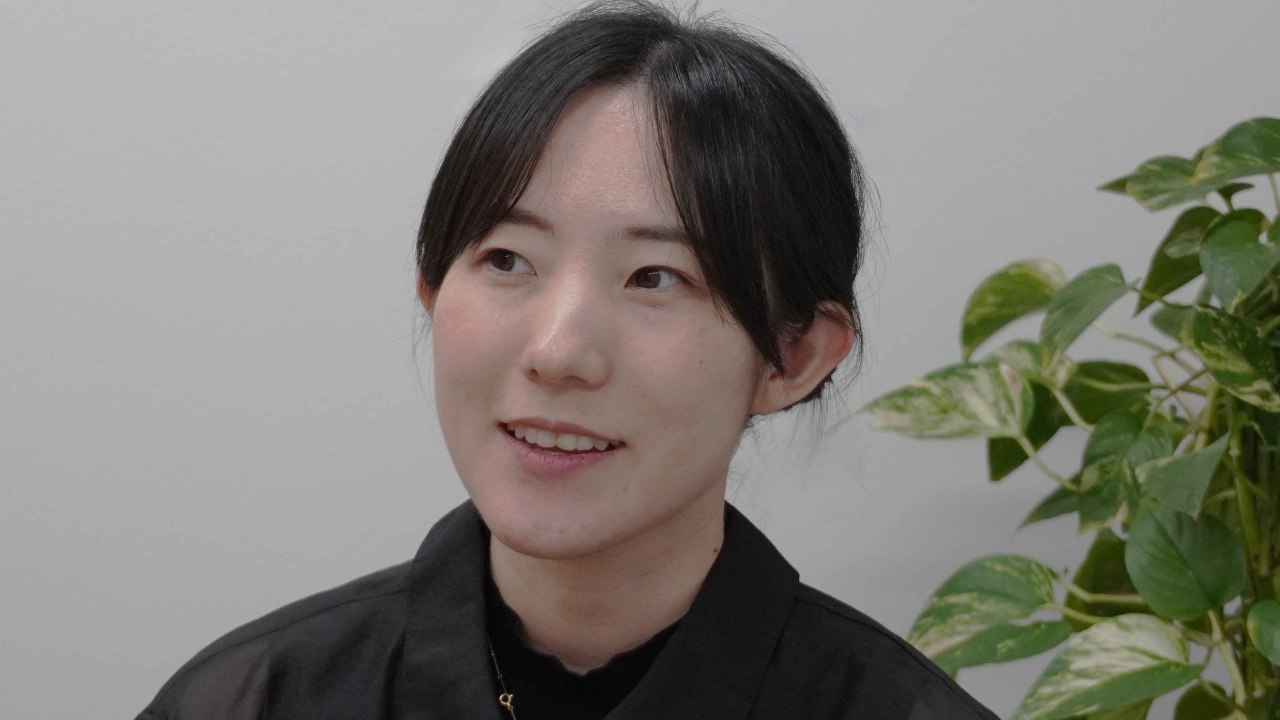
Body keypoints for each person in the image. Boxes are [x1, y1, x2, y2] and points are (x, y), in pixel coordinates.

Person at [137, 2, 998, 718]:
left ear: (793, 356)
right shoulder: (254, 700)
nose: (557, 353)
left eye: (655, 277)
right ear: (432, 290)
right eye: (509, 260)